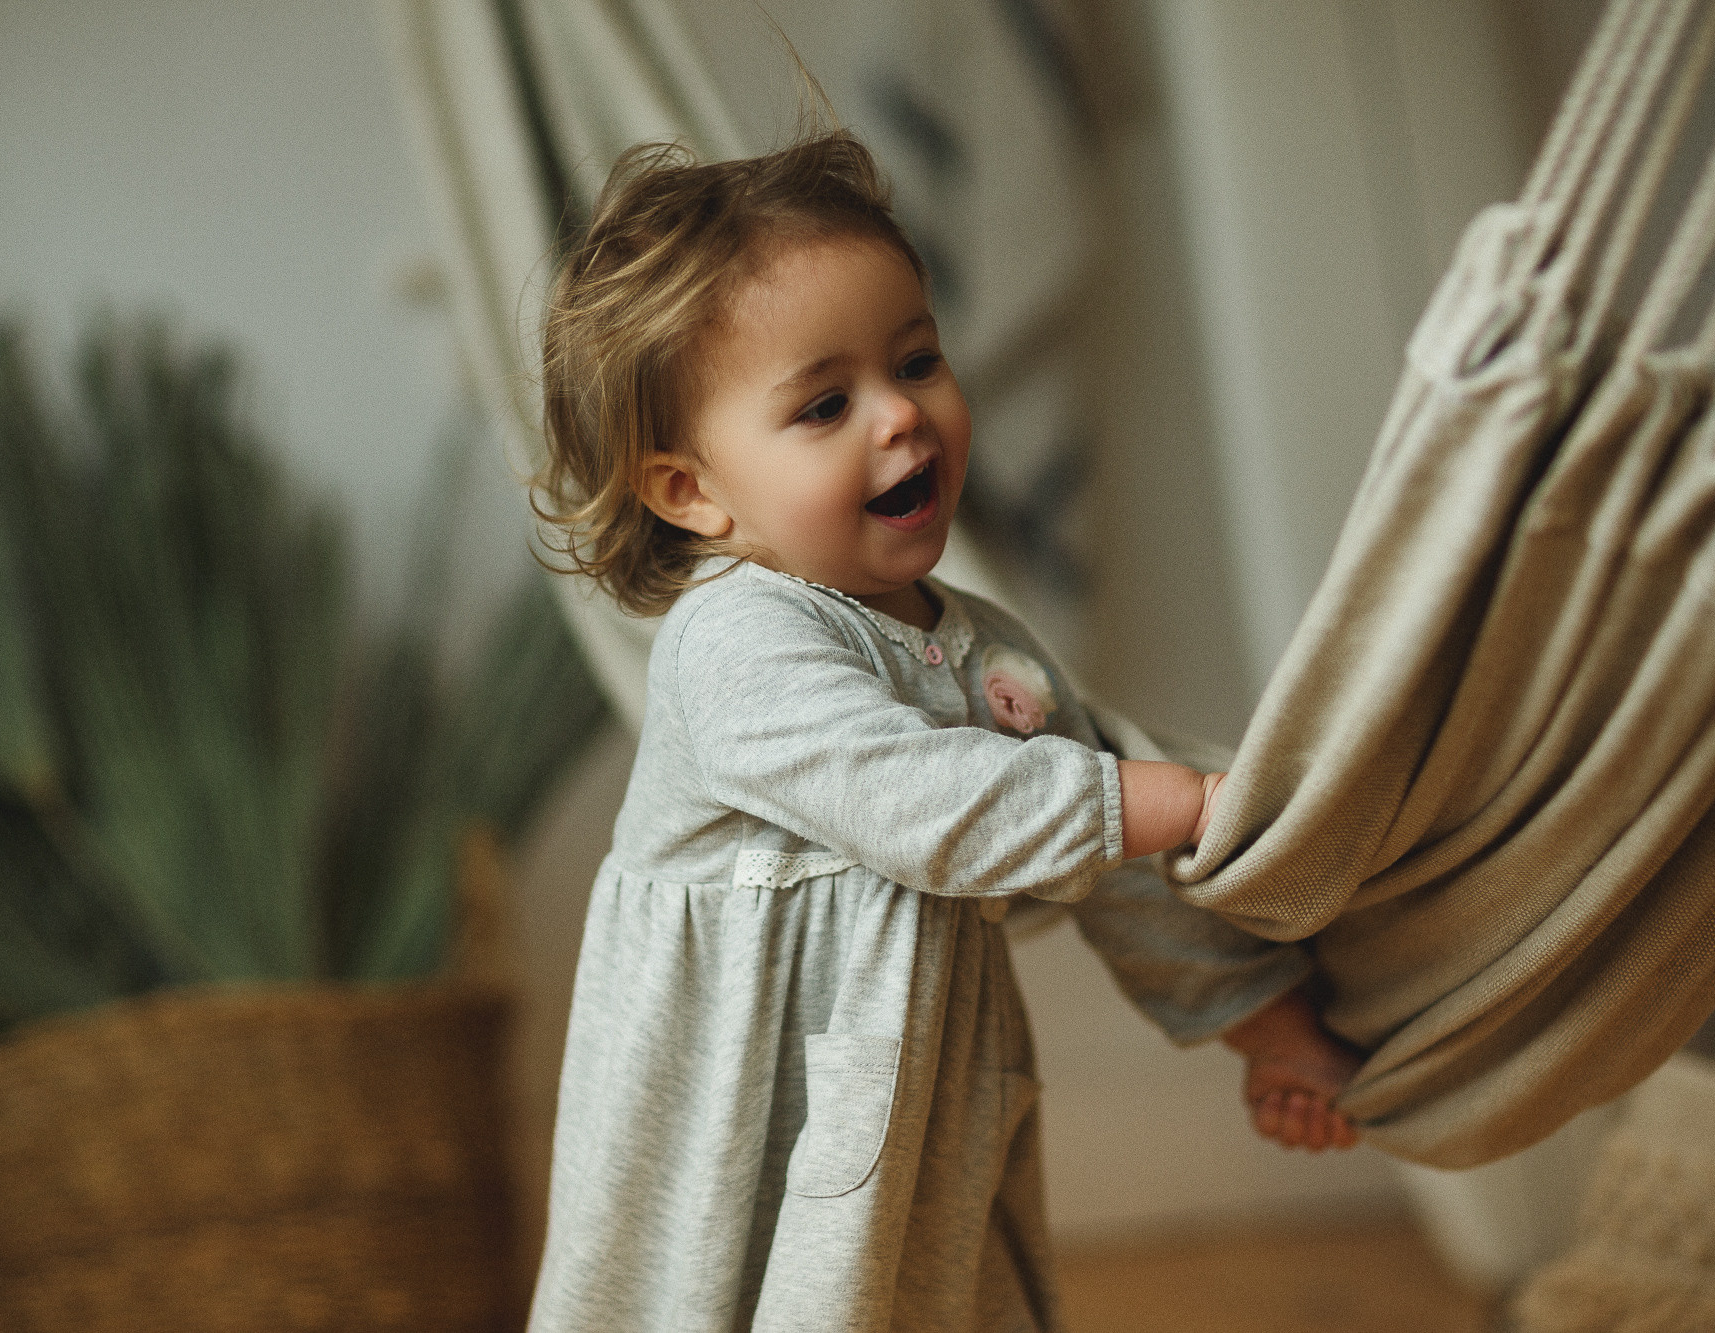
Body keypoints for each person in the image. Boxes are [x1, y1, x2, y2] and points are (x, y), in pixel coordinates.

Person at [527, 129, 1359, 1333]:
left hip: (913, 1122)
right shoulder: (733, 647)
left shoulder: (984, 651)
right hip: (724, 1128)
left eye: (915, 361)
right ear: (690, 492)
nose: (899, 418)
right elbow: (921, 801)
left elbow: (1117, 865)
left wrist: (1269, 1031)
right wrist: (1172, 798)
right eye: (823, 403)